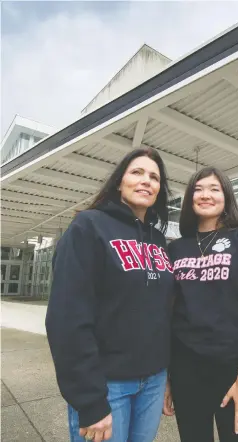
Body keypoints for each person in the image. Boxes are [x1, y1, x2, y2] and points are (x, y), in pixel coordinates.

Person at [45, 148, 175, 442]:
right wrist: (89, 401)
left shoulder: (158, 240)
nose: (146, 181)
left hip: (153, 382)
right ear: (119, 182)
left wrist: (167, 376)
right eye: (137, 172)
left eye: (154, 177)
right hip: (107, 385)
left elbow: (161, 312)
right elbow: (67, 318)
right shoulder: (88, 226)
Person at [165, 167, 238, 442]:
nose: (205, 195)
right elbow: (170, 312)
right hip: (185, 367)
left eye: (214, 189)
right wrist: (167, 378)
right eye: (198, 189)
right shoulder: (176, 249)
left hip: (232, 367)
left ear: (226, 197)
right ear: (190, 198)